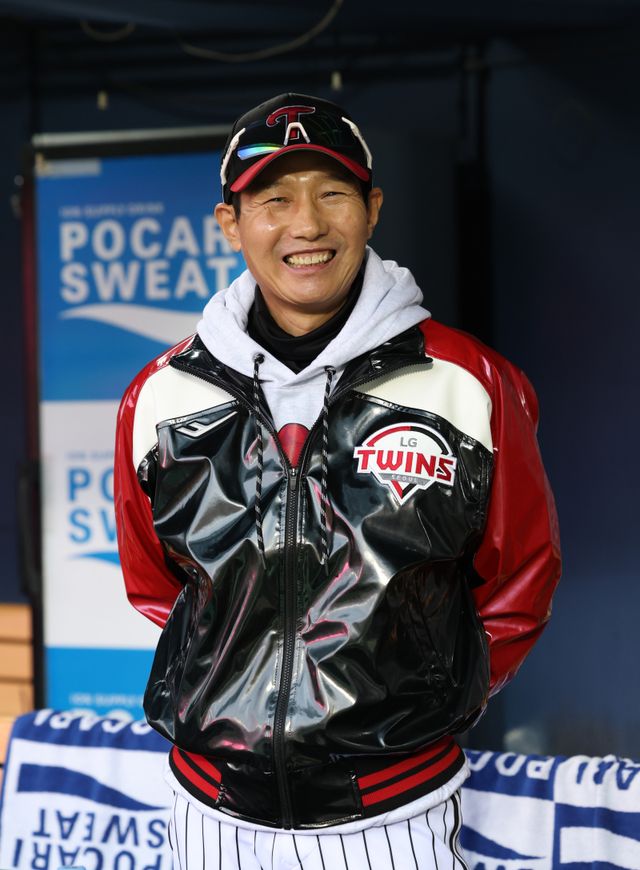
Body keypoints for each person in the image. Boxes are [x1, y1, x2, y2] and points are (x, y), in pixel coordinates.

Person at [114, 93, 561, 869]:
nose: (307, 224)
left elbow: (521, 576)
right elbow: (157, 585)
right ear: (230, 223)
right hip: (209, 812)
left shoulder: (468, 381)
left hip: (396, 814)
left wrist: (428, 691)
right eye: (274, 200)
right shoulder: (159, 395)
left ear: (373, 209)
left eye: (332, 194)